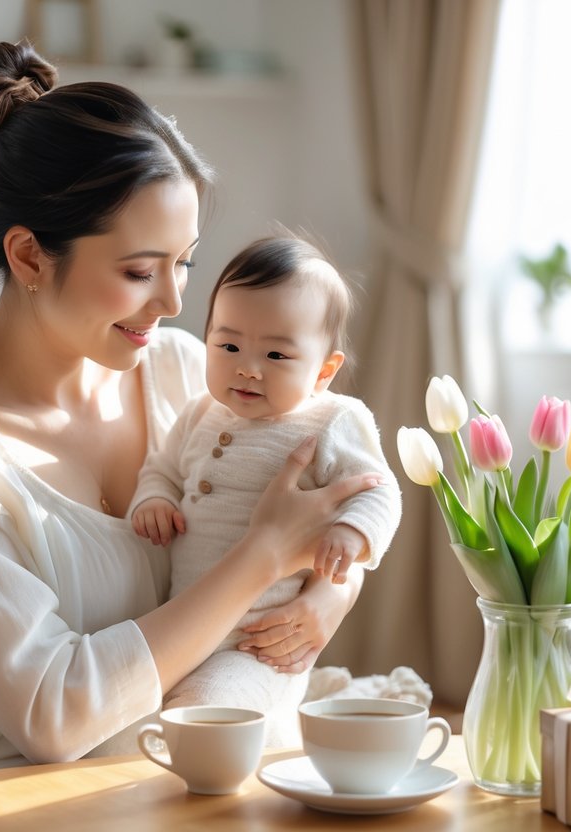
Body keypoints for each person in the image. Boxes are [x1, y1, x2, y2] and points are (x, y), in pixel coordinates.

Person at [0, 41, 381, 779]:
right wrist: (260, 559)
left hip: (179, 779)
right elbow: (52, 716)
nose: (175, 303)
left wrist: (329, 597)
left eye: (184, 263)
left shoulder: (189, 373)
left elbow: (332, 496)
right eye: (140, 271)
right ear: (28, 257)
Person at [129, 234, 402, 744]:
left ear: (323, 371)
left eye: (276, 354)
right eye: (228, 346)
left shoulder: (333, 421)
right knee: (154, 712)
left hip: (262, 646)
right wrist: (155, 499)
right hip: (191, 628)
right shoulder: (198, 413)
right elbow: (162, 468)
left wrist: (351, 533)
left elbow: (379, 492)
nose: (247, 368)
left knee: (204, 716)